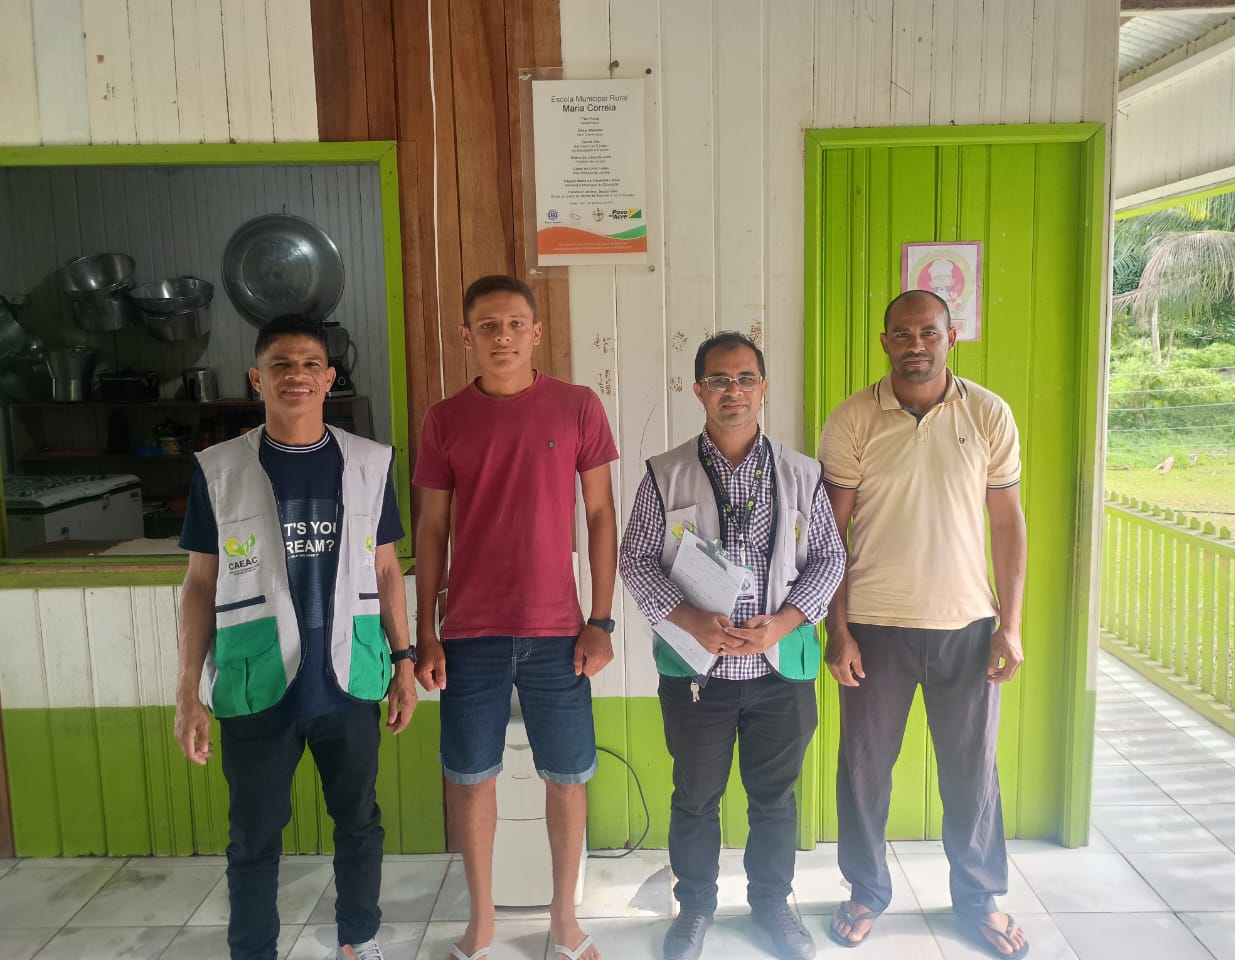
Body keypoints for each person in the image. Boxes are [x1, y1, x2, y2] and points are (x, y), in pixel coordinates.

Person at [174, 314, 417, 960]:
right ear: (257, 379)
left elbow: (386, 570)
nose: (297, 376)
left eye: (311, 364)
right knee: (253, 840)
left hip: (349, 682)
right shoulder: (219, 470)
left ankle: (358, 941)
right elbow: (199, 584)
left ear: (330, 378)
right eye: (280, 364)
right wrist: (188, 691)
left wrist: (404, 662)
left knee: (359, 824)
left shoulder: (369, 464)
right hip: (255, 685)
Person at [619, 332, 845, 960]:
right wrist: (689, 618)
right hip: (698, 673)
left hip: (780, 668)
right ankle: (694, 908)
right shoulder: (665, 474)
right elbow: (635, 559)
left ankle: (772, 905)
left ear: (763, 388)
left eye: (745, 379)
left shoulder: (802, 474)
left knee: (775, 798)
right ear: (699, 391)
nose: (733, 392)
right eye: (719, 380)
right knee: (696, 798)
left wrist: (785, 622)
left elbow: (830, 559)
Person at [412, 275, 618, 960]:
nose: (503, 336)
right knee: (471, 778)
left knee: (569, 775)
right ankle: (483, 921)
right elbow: (431, 529)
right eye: (488, 325)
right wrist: (425, 632)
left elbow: (599, 514)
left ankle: (564, 919)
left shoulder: (577, 406)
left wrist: (602, 619)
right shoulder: (444, 419)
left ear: (536, 333)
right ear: (466, 336)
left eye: (515, 324)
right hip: (469, 634)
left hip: (560, 630)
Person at [818, 290, 1029, 959]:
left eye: (929, 333)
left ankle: (979, 897)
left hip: (967, 626)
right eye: (903, 334)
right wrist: (837, 631)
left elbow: (1008, 524)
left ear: (950, 337)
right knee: (864, 771)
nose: (917, 345)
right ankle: (866, 891)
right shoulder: (853, 419)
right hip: (874, 627)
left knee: (973, 772)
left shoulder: (988, 413)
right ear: (885, 341)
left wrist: (1011, 624)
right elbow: (829, 536)